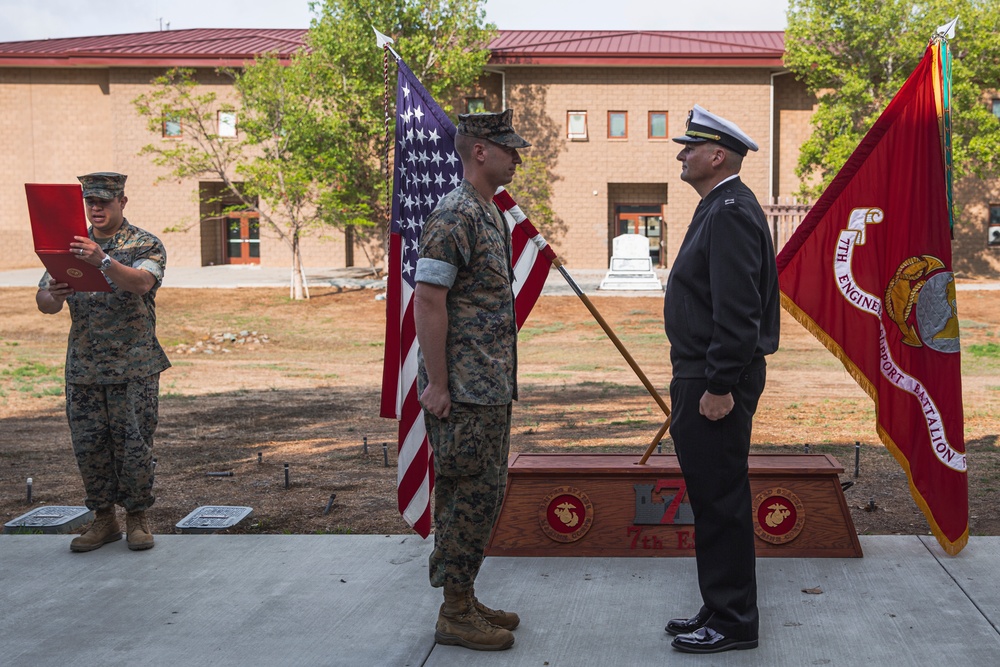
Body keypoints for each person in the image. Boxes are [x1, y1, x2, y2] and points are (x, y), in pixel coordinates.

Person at [662, 106, 780, 654]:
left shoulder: (729, 210)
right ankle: (718, 604)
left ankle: (733, 622)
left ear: (717, 156)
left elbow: (737, 311)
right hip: (703, 373)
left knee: (721, 500)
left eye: (690, 147)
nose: (681, 154)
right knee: (711, 499)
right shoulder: (720, 206)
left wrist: (718, 385)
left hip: (714, 380)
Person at [413, 110, 529, 652]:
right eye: (509, 147)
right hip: (460, 390)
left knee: (485, 493)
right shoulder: (455, 213)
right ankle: (454, 611)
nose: (518, 156)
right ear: (480, 150)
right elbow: (429, 299)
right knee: (465, 496)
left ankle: (466, 593)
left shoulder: (489, 213)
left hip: (487, 386)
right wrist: (438, 385)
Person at [36, 172, 171, 553]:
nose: (96, 209)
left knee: (135, 445)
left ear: (122, 202)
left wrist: (104, 261)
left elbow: (143, 283)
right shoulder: (70, 247)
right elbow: (44, 304)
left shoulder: (144, 243)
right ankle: (103, 520)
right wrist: (54, 295)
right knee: (90, 446)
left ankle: (138, 518)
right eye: (90, 202)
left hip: (134, 365)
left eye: (104, 202)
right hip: (84, 367)